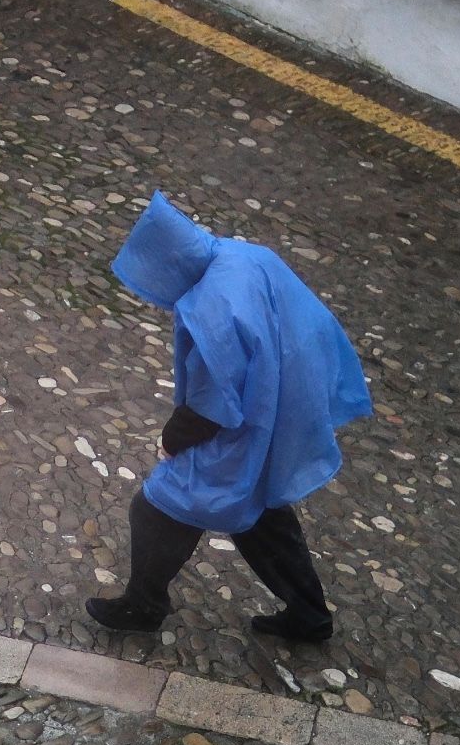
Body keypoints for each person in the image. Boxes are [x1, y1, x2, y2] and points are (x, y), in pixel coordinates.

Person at [85, 191, 372, 641]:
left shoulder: (210, 311)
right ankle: (309, 614)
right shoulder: (240, 254)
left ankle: (144, 605)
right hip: (290, 389)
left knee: (160, 505)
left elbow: (210, 405)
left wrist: (170, 441)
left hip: (252, 415)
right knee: (257, 507)